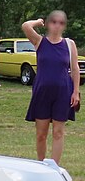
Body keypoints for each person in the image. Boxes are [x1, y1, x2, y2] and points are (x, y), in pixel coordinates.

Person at [22, 11, 80, 164]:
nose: (57, 25)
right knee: (41, 134)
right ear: (48, 24)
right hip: (42, 91)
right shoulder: (39, 42)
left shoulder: (69, 44)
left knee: (58, 132)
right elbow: (25, 26)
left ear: (64, 26)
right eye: (54, 22)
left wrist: (76, 92)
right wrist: (38, 21)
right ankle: (42, 165)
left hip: (63, 92)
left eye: (61, 23)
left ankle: (54, 167)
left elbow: (75, 69)